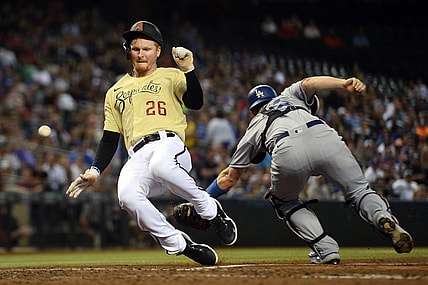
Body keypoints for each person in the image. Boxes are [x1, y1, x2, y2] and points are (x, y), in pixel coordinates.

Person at [66, 20, 237, 266]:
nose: (141, 53)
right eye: (135, 48)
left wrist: (188, 69)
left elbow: (196, 102)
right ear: (128, 51)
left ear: (158, 51)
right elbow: (110, 136)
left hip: (169, 145)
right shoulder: (115, 91)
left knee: (161, 165)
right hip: (137, 155)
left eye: (147, 48)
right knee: (127, 197)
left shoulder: (171, 75)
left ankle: (210, 209)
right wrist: (95, 170)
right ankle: (179, 244)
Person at [204, 76, 414, 264]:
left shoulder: (253, 127)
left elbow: (230, 178)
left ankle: (326, 249)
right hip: (323, 134)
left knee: (284, 202)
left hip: (286, 147)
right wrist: (343, 84)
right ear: (274, 97)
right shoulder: (288, 95)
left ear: (252, 110)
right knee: (359, 191)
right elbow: (311, 83)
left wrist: (204, 197)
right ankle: (382, 218)